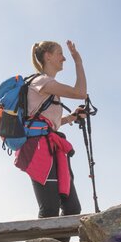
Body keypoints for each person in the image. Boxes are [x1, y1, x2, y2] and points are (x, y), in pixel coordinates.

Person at [15, 40, 88, 220]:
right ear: (48, 56)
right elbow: (80, 93)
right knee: (49, 208)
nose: (64, 58)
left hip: (51, 148)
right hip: (38, 150)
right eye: (60, 53)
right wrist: (78, 61)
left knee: (72, 208)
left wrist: (71, 118)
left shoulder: (47, 85)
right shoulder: (41, 82)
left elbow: (47, 124)